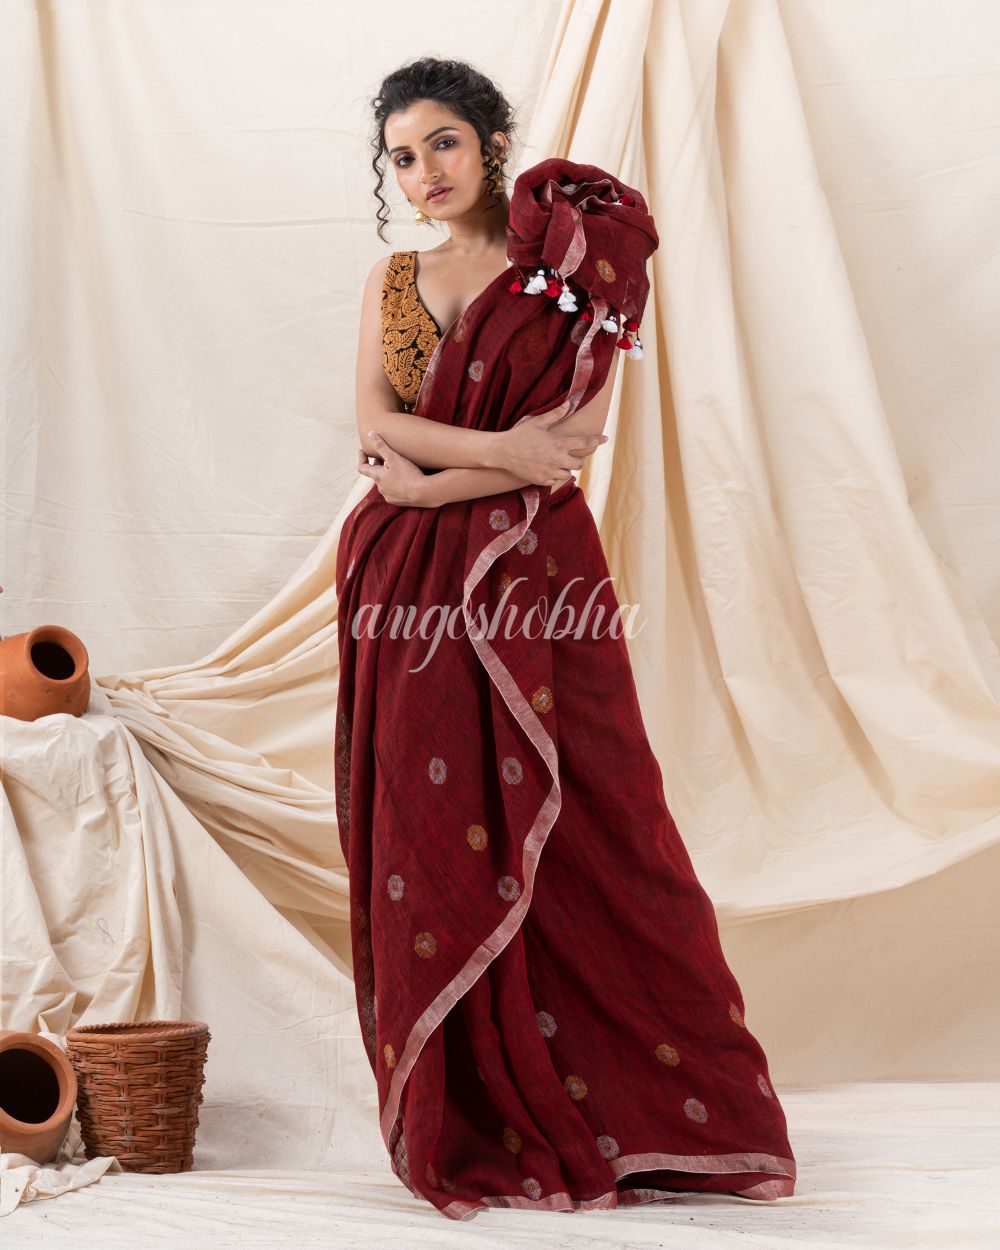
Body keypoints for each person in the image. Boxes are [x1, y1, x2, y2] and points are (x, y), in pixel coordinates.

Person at [335, 56, 797, 1221]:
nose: (424, 172)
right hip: (403, 582)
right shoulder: (395, 278)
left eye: (443, 142)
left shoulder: (575, 264)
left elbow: (570, 443)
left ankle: (653, 1109)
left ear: (493, 140)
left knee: (600, 815)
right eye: (402, 156)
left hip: (536, 569)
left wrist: (439, 479)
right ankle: (472, 1112)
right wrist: (477, 468)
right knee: (432, 823)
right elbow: (377, 425)